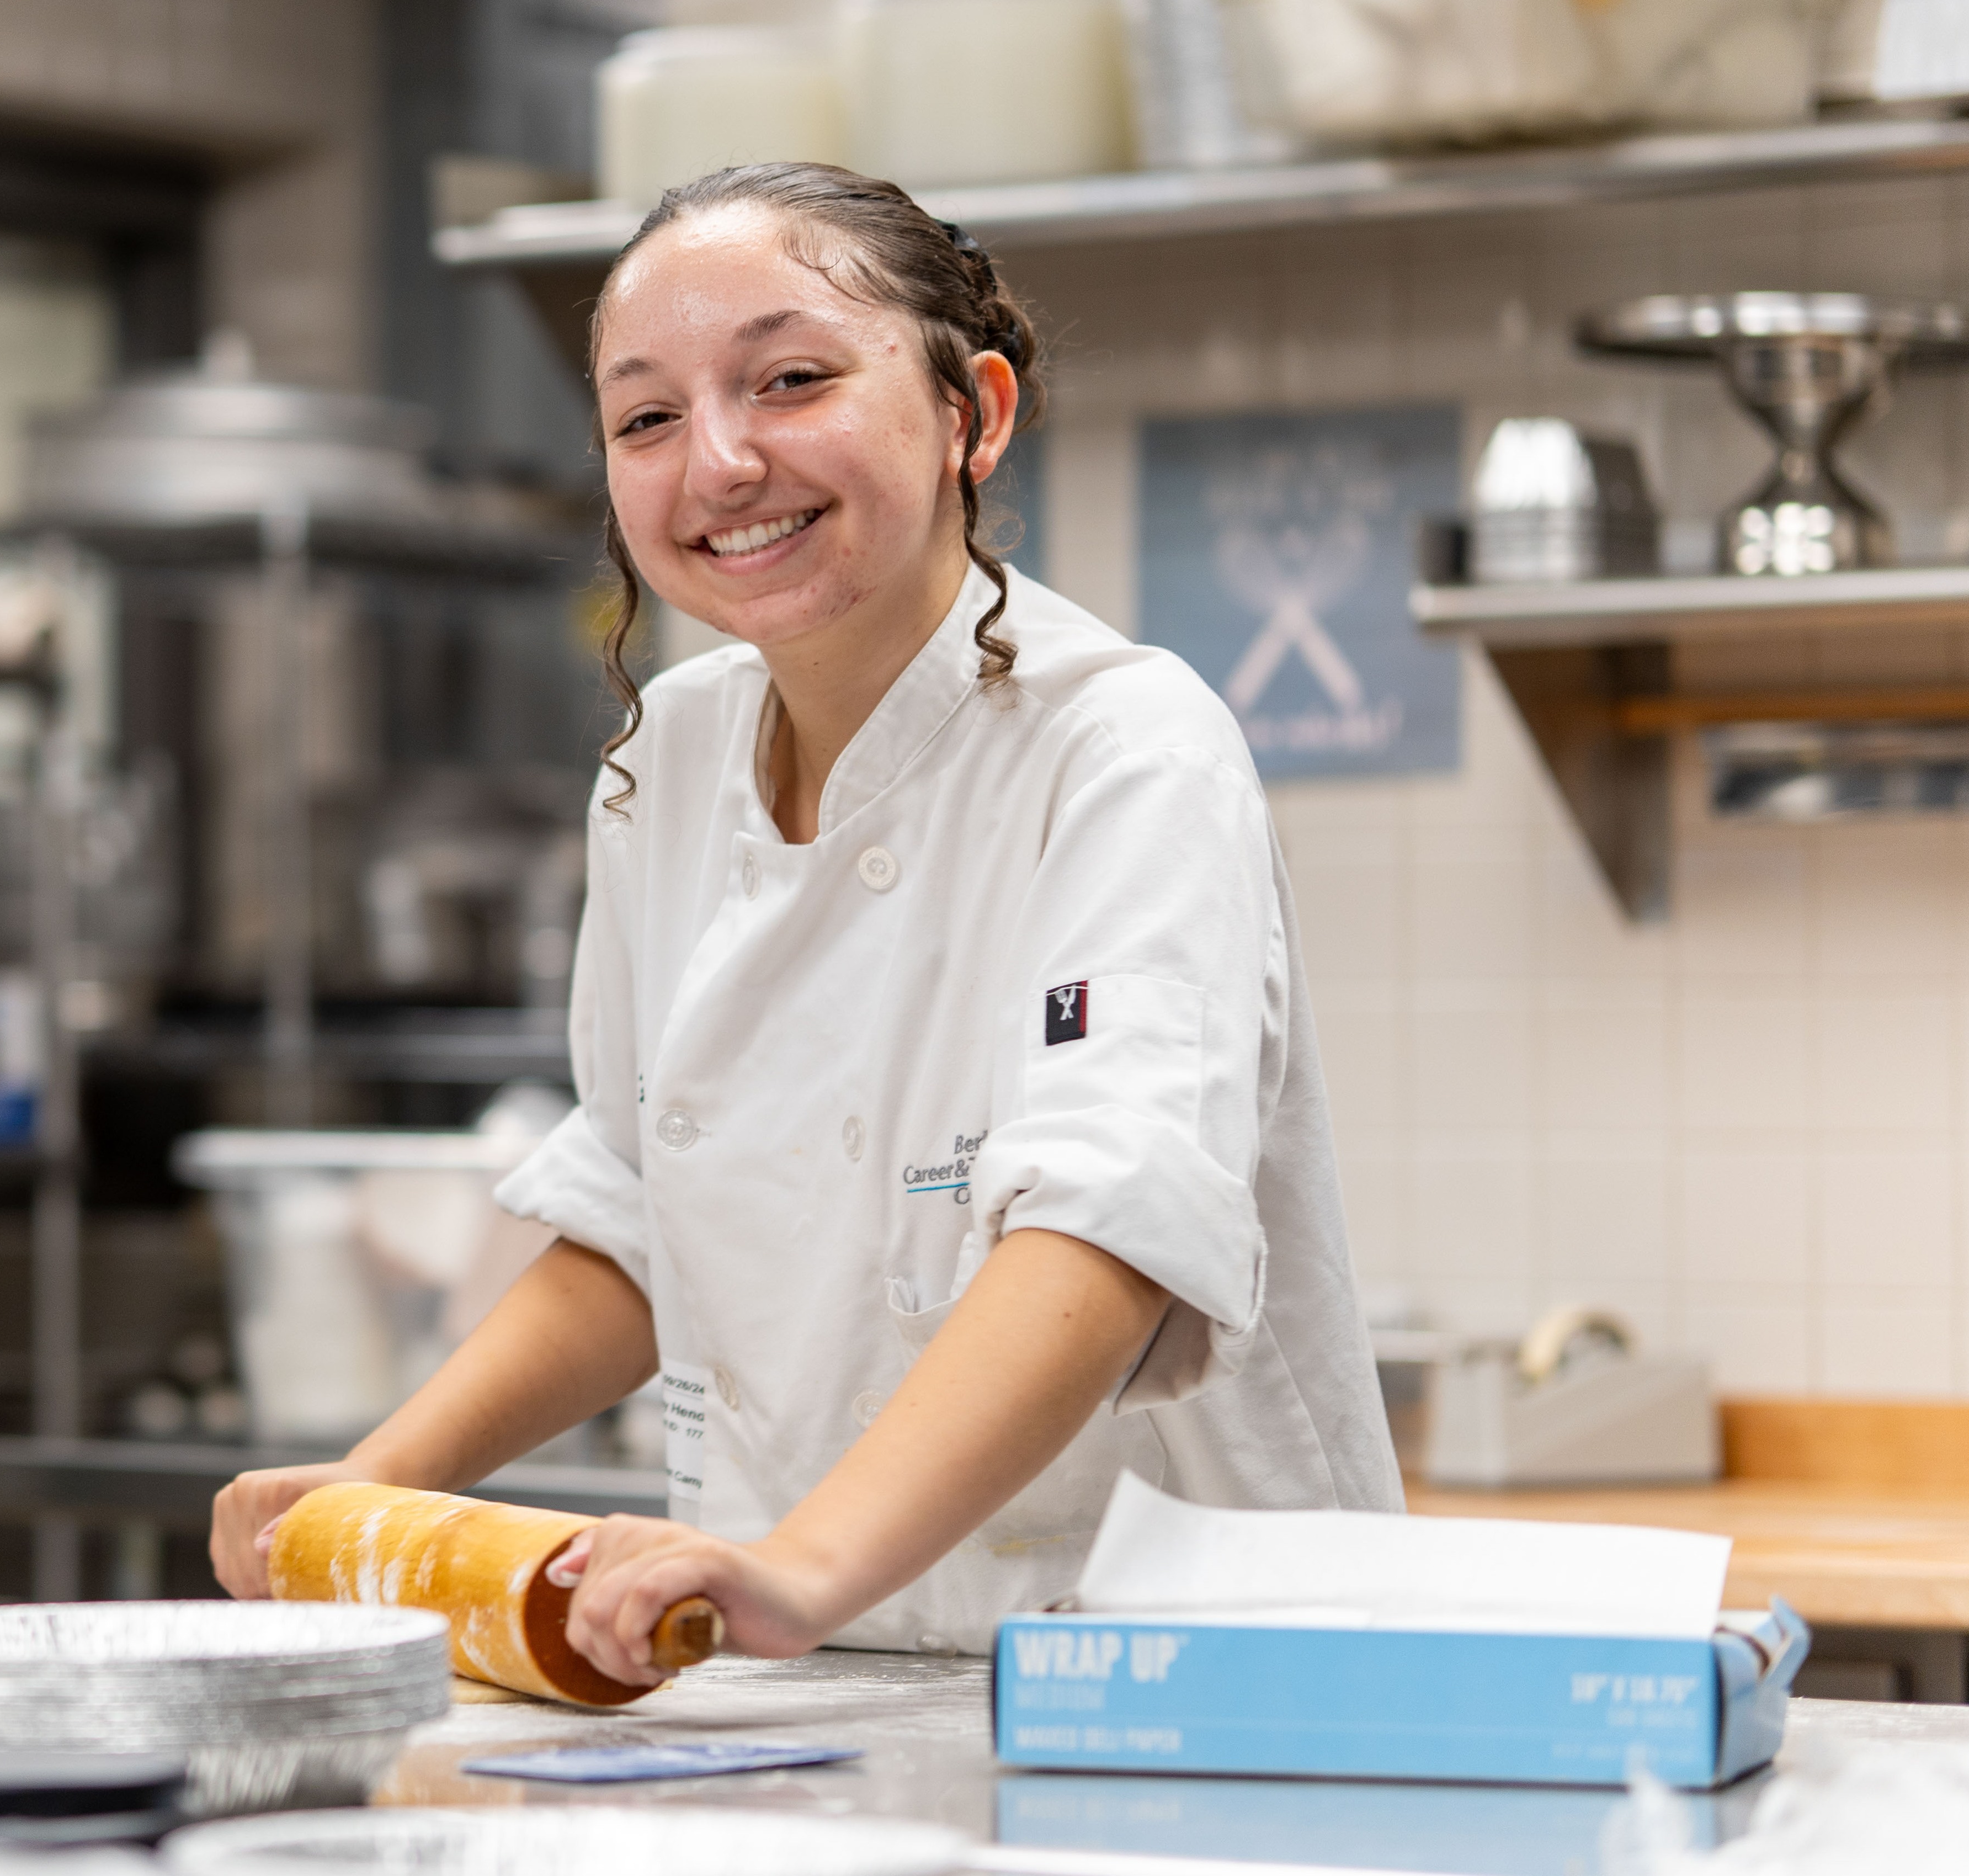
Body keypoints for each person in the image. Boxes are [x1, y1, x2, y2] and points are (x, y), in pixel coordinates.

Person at [210, 162, 1398, 1687]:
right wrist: (374, 1481)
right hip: (808, 1671)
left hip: (1179, 1678)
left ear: (973, 409)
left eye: (790, 381)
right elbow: (643, 1212)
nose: (717, 462)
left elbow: (1104, 1229)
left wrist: (799, 1565)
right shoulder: (668, 763)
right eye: (644, 418)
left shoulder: (1122, 747)